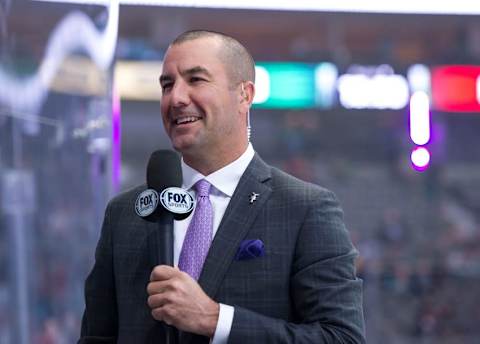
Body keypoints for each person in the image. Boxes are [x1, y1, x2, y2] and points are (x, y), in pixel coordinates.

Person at [79, 30, 365, 344]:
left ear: (244, 95)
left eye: (196, 80)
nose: (176, 98)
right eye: (167, 84)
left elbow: (342, 338)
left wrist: (216, 320)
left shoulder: (305, 209)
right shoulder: (124, 213)